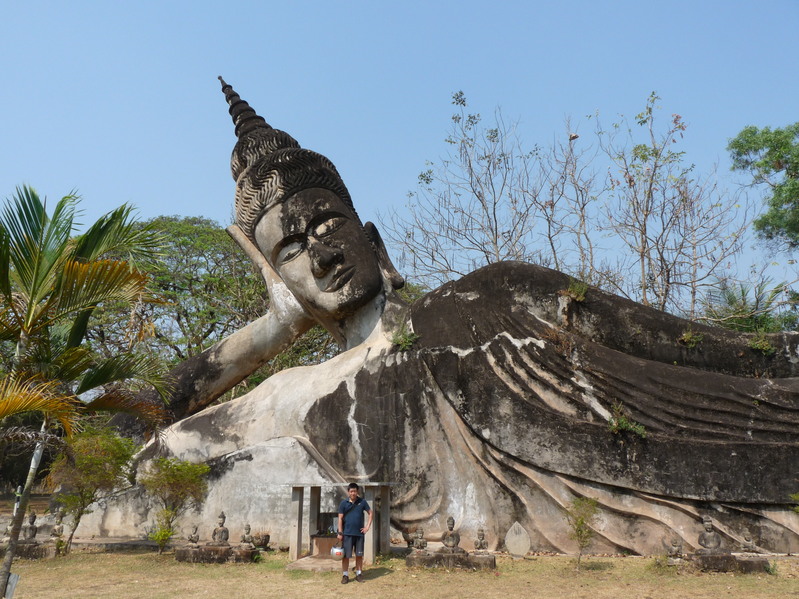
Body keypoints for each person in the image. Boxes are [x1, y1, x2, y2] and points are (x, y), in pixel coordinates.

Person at [337, 483, 373, 584]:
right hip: (347, 534)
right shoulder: (343, 503)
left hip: (359, 534)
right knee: (346, 556)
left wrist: (367, 527)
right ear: (348, 492)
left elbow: (371, 513)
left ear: (357, 492)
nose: (353, 493)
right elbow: (340, 518)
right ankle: (345, 575)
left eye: (355, 491)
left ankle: (359, 574)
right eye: (351, 491)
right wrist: (340, 532)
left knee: (359, 555)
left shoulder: (363, 502)